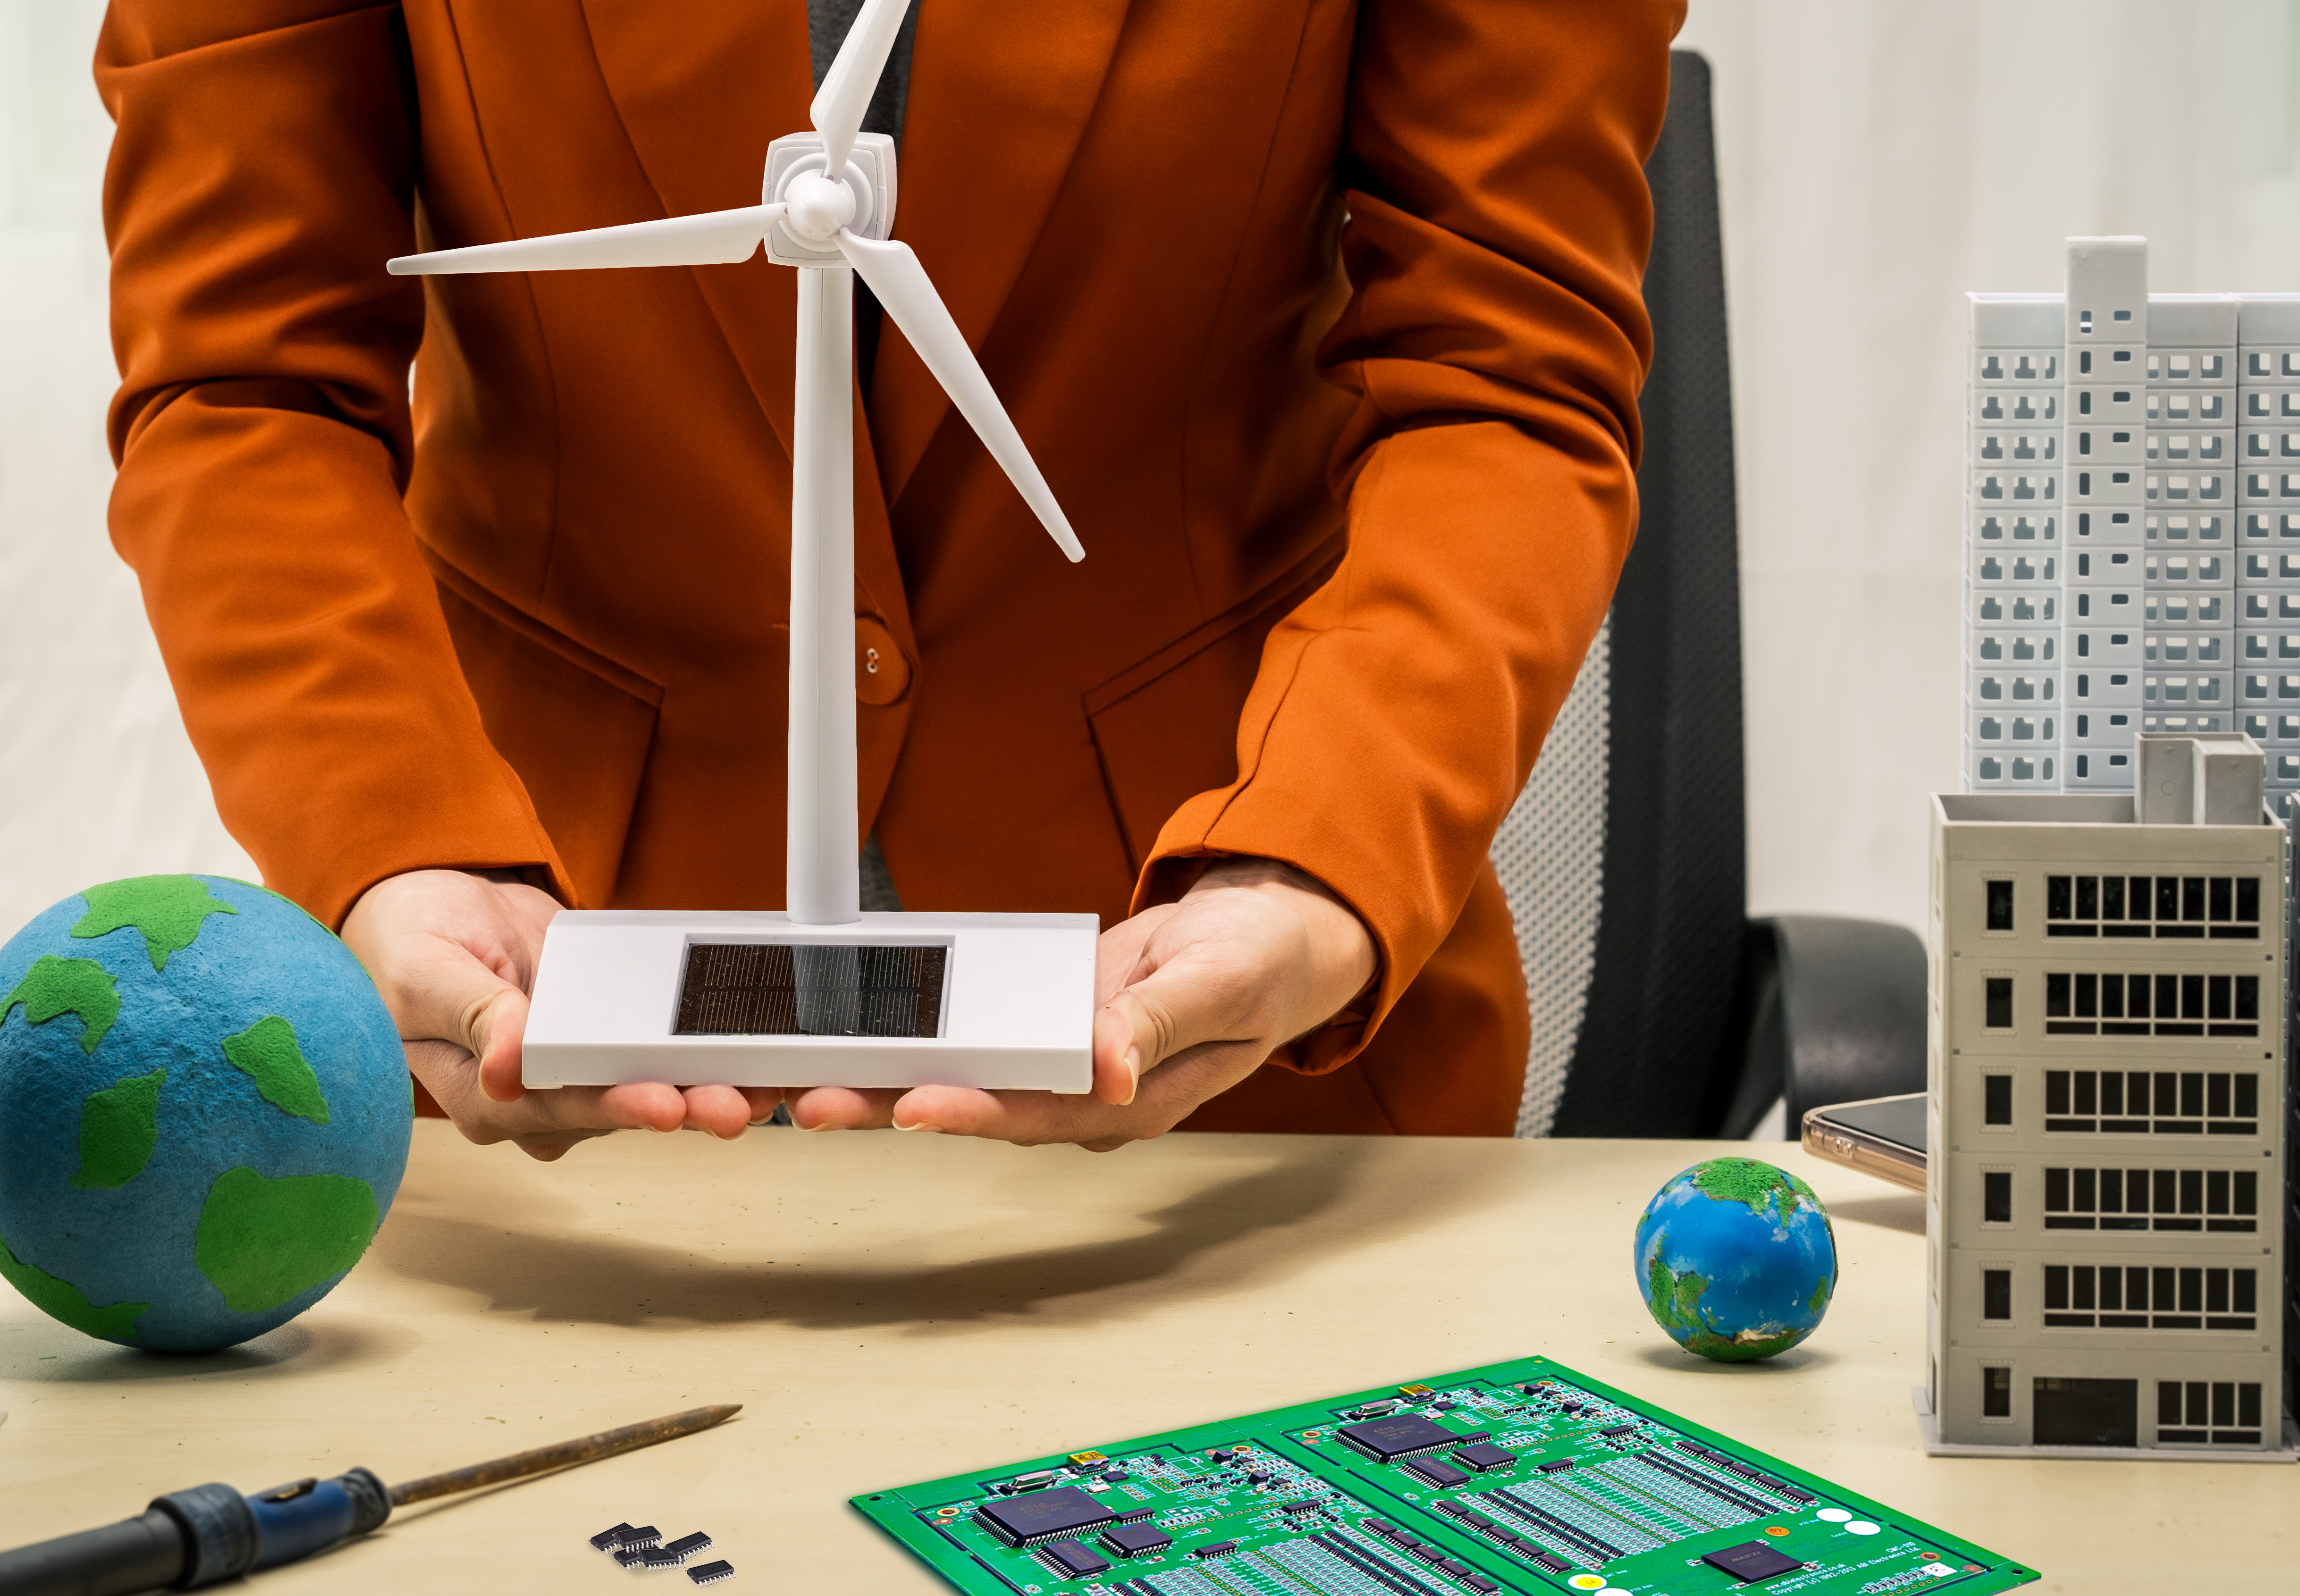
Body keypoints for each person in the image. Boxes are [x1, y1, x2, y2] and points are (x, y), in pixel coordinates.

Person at [94, 0, 1675, 1157]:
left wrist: (1314, 861)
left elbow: (1500, 385)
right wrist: (389, 841)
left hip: (1224, 1055)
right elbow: (244, 388)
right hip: (539, 1028)